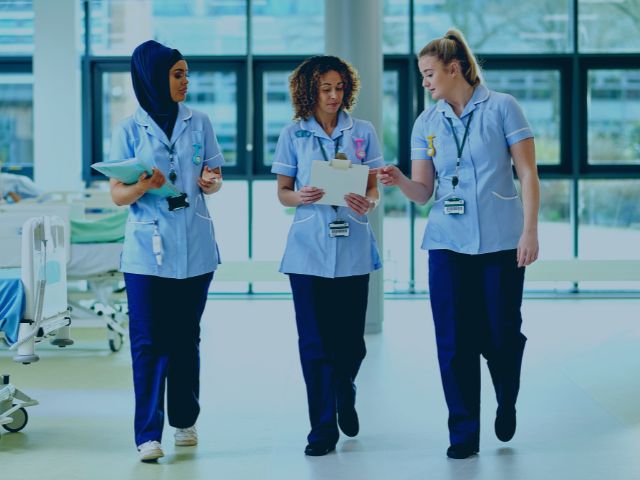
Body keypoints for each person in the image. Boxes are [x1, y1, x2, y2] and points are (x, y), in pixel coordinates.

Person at [377, 29, 540, 459]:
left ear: (454, 69)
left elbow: (527, 173)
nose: (425, 82)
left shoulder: (503, 107)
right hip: (447, 245)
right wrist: (399, 181)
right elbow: (424, 191)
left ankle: (506, 397)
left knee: (501, 335)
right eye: (422, 76)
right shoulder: (426, 122)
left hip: (501, 243)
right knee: (453, 341)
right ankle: (464, 432)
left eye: (430, 74)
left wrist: (530, 230)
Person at [108, 40, 224, 462]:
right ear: (154, 77)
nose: (185, 82)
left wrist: (211, 182)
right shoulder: (127, 129)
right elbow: (119, 195)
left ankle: (184, 418)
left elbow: (213, 174)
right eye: (178, 75)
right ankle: (148, 434)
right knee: (147, 341)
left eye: (186, 74)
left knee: (185, 337)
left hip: (195, 246)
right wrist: (143, 186)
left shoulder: (200, 121)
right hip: (146, 251)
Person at [272, 55, 384, 456]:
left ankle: (344, 388)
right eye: (325, 89)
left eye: (339, 87)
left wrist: (368, 202)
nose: (334, 96)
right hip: (307, 252)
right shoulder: (293, 134)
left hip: (351, 246)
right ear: (309, 91)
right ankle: (321, 429)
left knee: (351, 343)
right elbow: (283, 190)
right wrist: (298, 196)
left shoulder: (364, 132)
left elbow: (373, 188)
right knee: (315, 344)